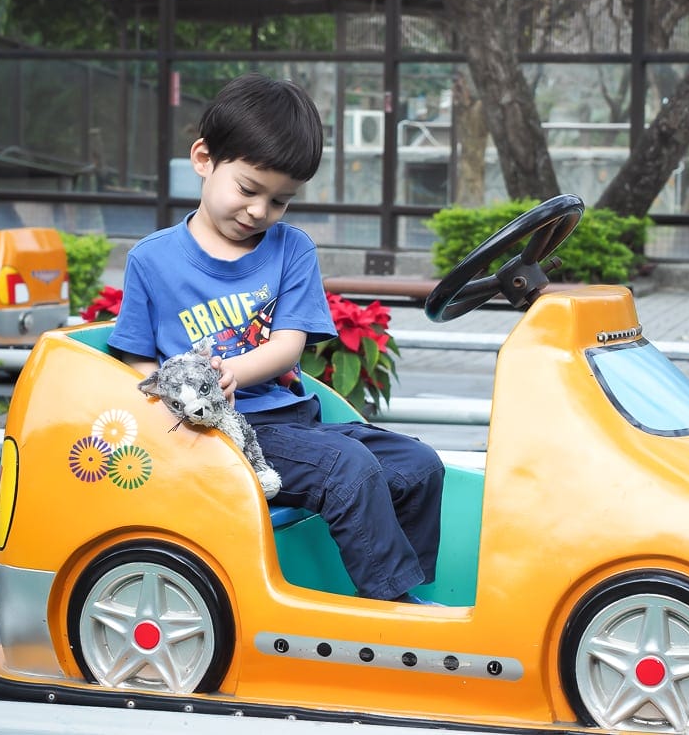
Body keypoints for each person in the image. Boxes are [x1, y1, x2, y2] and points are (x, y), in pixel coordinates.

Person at [109, 73, 445, 605]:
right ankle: (392, 605)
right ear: (204, 159)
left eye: (280, 200)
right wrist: (181, 406)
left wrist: (233, 373)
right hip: (223, 437)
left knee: (419, 463)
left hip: (291, 423)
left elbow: (288, 345)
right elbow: (133, 362)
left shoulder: (291, 250)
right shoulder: (152, 259)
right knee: (347, 469)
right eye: (248, 189)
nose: (260, 212)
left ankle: (398, 583)